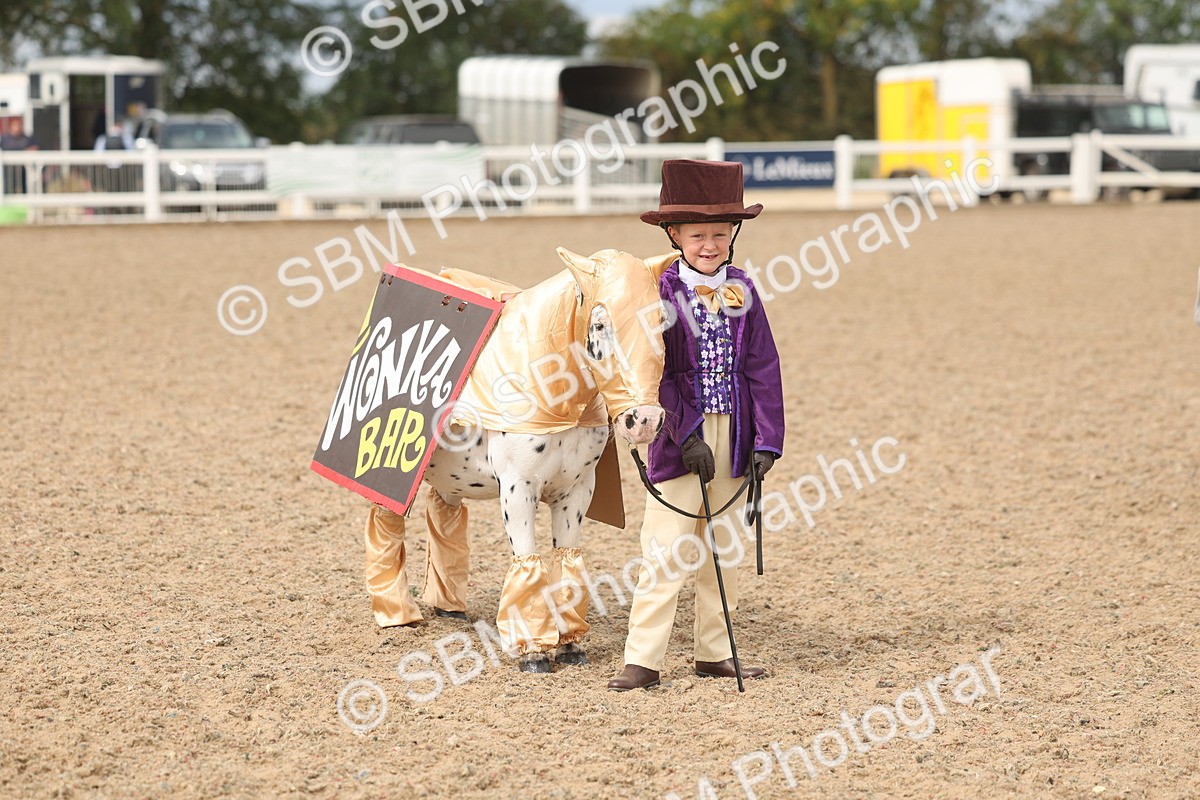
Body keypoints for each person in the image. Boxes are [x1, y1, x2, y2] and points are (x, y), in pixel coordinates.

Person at [607, 159, 785, 691]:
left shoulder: (742, 289)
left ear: (732, 235)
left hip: (734, 431)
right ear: (675, 234)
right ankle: (643, 658)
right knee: (666, 546)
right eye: (698, 234)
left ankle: (715, 650)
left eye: (719, 233)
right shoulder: (660, 295)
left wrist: (766, 440)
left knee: (723, 545)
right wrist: (683, 435)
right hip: (679, 433)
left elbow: (762, 365)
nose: (709, 244)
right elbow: (655, 371)